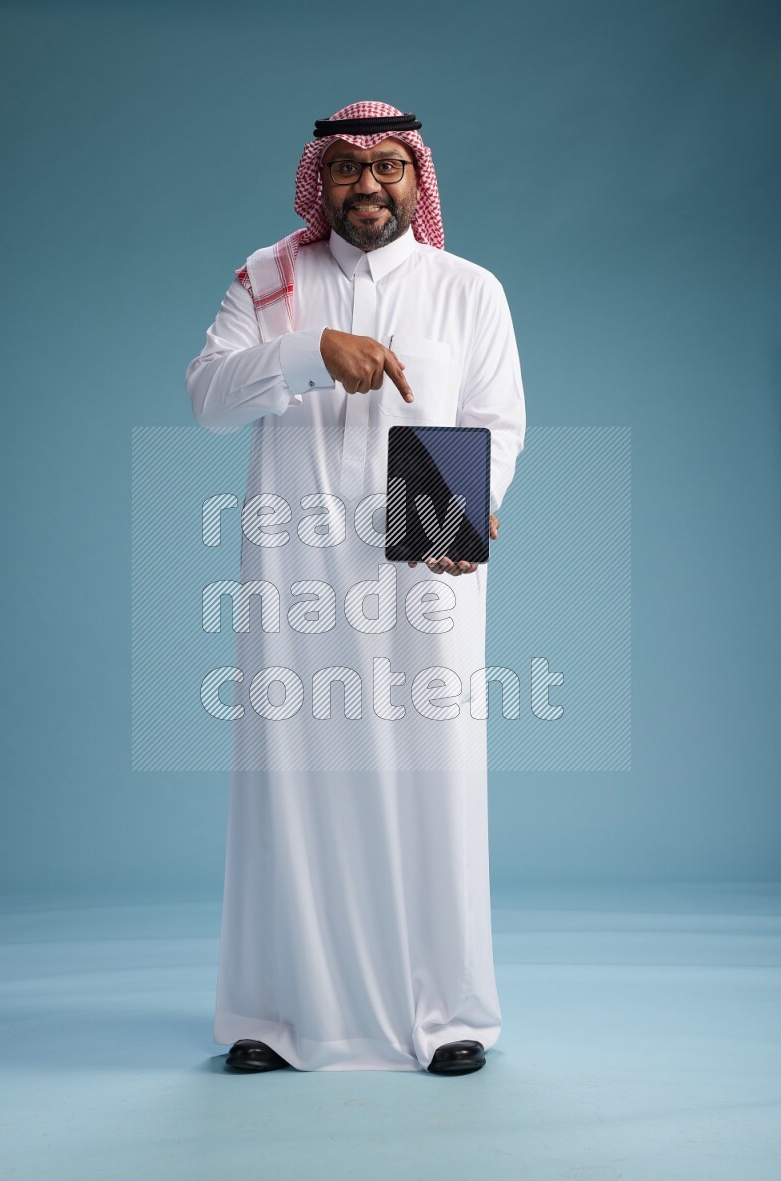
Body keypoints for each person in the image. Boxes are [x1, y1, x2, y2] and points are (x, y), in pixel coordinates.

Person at [185, 100, 526, 1075]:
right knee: (293, 783)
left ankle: (446, 1010)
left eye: (386, 166)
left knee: (435, 778)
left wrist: (469, 509)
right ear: (317, 180)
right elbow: (208, 395)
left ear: (416, 181)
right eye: (344, 168)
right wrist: (307, 353)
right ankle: (277, 1013)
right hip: (294, 576)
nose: (366, 184)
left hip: (421, 565)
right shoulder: (268, 277)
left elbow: (493, 421)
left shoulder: (466, 288)